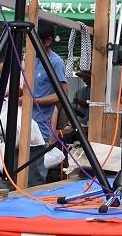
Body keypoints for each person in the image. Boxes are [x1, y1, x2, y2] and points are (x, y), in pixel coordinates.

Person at [30, 21, 68, 187]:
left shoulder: (55, 62)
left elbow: (63, 95)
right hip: (25, 126)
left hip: (41, 127)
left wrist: (34, 101)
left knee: (36, 176)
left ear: (47, 41)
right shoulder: (32, 60)